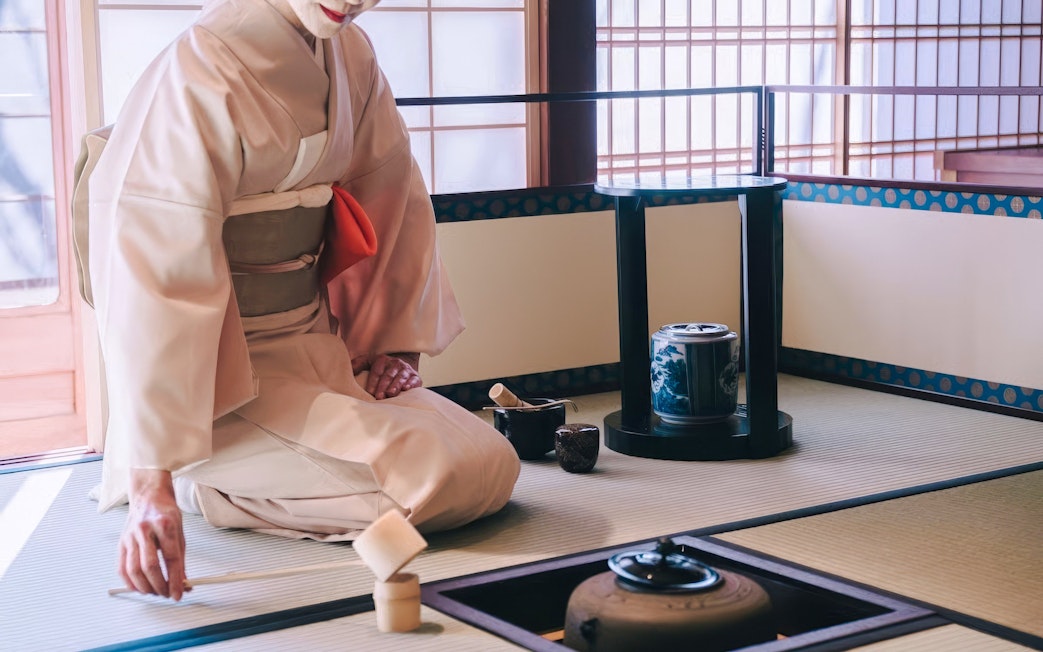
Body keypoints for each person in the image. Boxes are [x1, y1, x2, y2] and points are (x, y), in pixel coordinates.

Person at [72, 0, 520, 601]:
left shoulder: (351, 54)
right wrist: (149, 486)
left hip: (317, 345)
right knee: (435, 479)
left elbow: (393, 195)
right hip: (223, 377)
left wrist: (393, 345)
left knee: (490, 461)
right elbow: (156, 274)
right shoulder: (199, 66)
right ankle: (189, 476)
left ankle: (243, 472)